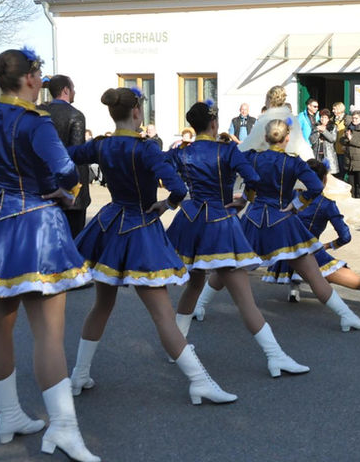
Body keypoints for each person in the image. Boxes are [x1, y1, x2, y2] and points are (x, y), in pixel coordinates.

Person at [0, 48, 99, 461]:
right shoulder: (36, 122)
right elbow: (67, 171)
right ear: (32, 79)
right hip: (36, 225)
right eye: (39, 76)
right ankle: (64, 429)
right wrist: (63, 192)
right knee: (48, 334)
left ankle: (9, 415)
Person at [67, 87, 237, 407]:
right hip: (140, 229)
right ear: (137, 112)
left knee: (102, 305)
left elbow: (65, 156)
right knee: (162, 315)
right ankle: (200, 382)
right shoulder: (146, 148)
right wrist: (166, 205)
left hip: (109, 225)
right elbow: (178, 188)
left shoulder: (101, 145)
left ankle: (79, 375)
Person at [166, 101, 308, 378]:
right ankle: (275, 356)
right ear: (214, 124)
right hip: (220, 224)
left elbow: (162, 171)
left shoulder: (182, 151)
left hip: (190, 223)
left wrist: (169, 202)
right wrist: (244, 200)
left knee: (194, 285)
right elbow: (253, 178)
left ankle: (176, 348)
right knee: (244, 298)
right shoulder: (228, 149)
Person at [236, 119, 360, 332]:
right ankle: (347, 316)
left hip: (252, 220)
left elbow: (237, 171)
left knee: (226, 268)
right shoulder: (293, 162)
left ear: (265, 137)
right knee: (313, 275)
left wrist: (243, 198)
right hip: (282, 221)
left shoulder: (252, 157)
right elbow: (316, 186)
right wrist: (297, 204)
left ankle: (197, 308)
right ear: (287, 138)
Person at [264, 159, 360, 313]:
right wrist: (327, 246)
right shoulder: (326, 204)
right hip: (312, 256)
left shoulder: (288, 197)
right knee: (358, 281)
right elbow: (345, 236)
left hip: (285, 256)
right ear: (324, 180)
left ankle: (294, 285)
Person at [41, 75, 92, 236]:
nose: (75, 92)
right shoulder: (75, 115)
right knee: (73, 238)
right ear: (66, 90)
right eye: (73, 88)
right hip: (72, 191)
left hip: (45, 186)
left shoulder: (40, 113)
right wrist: (74, 190)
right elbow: (76, 154)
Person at [342, 108, 360, 199]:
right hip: (350, 160)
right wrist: (347, 139)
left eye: (356, 118)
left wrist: (351, 139)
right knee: (351, 183)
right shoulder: (349, 128)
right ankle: (353, 199)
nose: (354, 120)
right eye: (353, 118)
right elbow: (341, 140)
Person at [309, 110, 339, 175]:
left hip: (328, 155)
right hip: (317, 154)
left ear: (328, 119)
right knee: (317, 174)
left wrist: (324, 131)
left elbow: (333, 139)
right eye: (322, 117)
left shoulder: (333, 126)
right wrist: (317, 132)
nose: (323, 119)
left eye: (325, 117)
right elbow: (311, 140)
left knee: (328, 175)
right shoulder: (316, 126)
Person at [332, 102, 349, 181]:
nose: (333, 111)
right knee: (337, 170)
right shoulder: (333, 119)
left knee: (343, 169)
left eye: (334, 109)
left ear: (339, 109)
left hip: (343, 149)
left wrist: (345, 145)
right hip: (335, 149)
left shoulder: (347, 119)